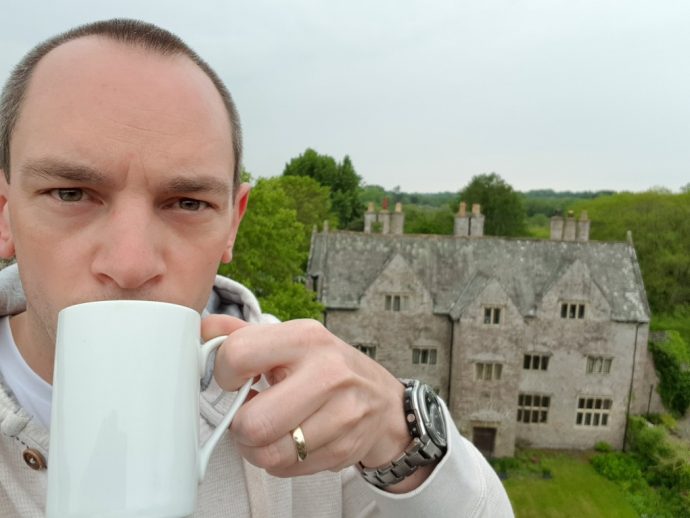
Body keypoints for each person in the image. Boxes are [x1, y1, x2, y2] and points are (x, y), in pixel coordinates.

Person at [0, 19, 513, 517]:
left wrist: (399, 437)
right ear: (5, 213)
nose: (131, 264)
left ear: (232, 224)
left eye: (187, 202)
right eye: (70, 194)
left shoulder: (313, 407)